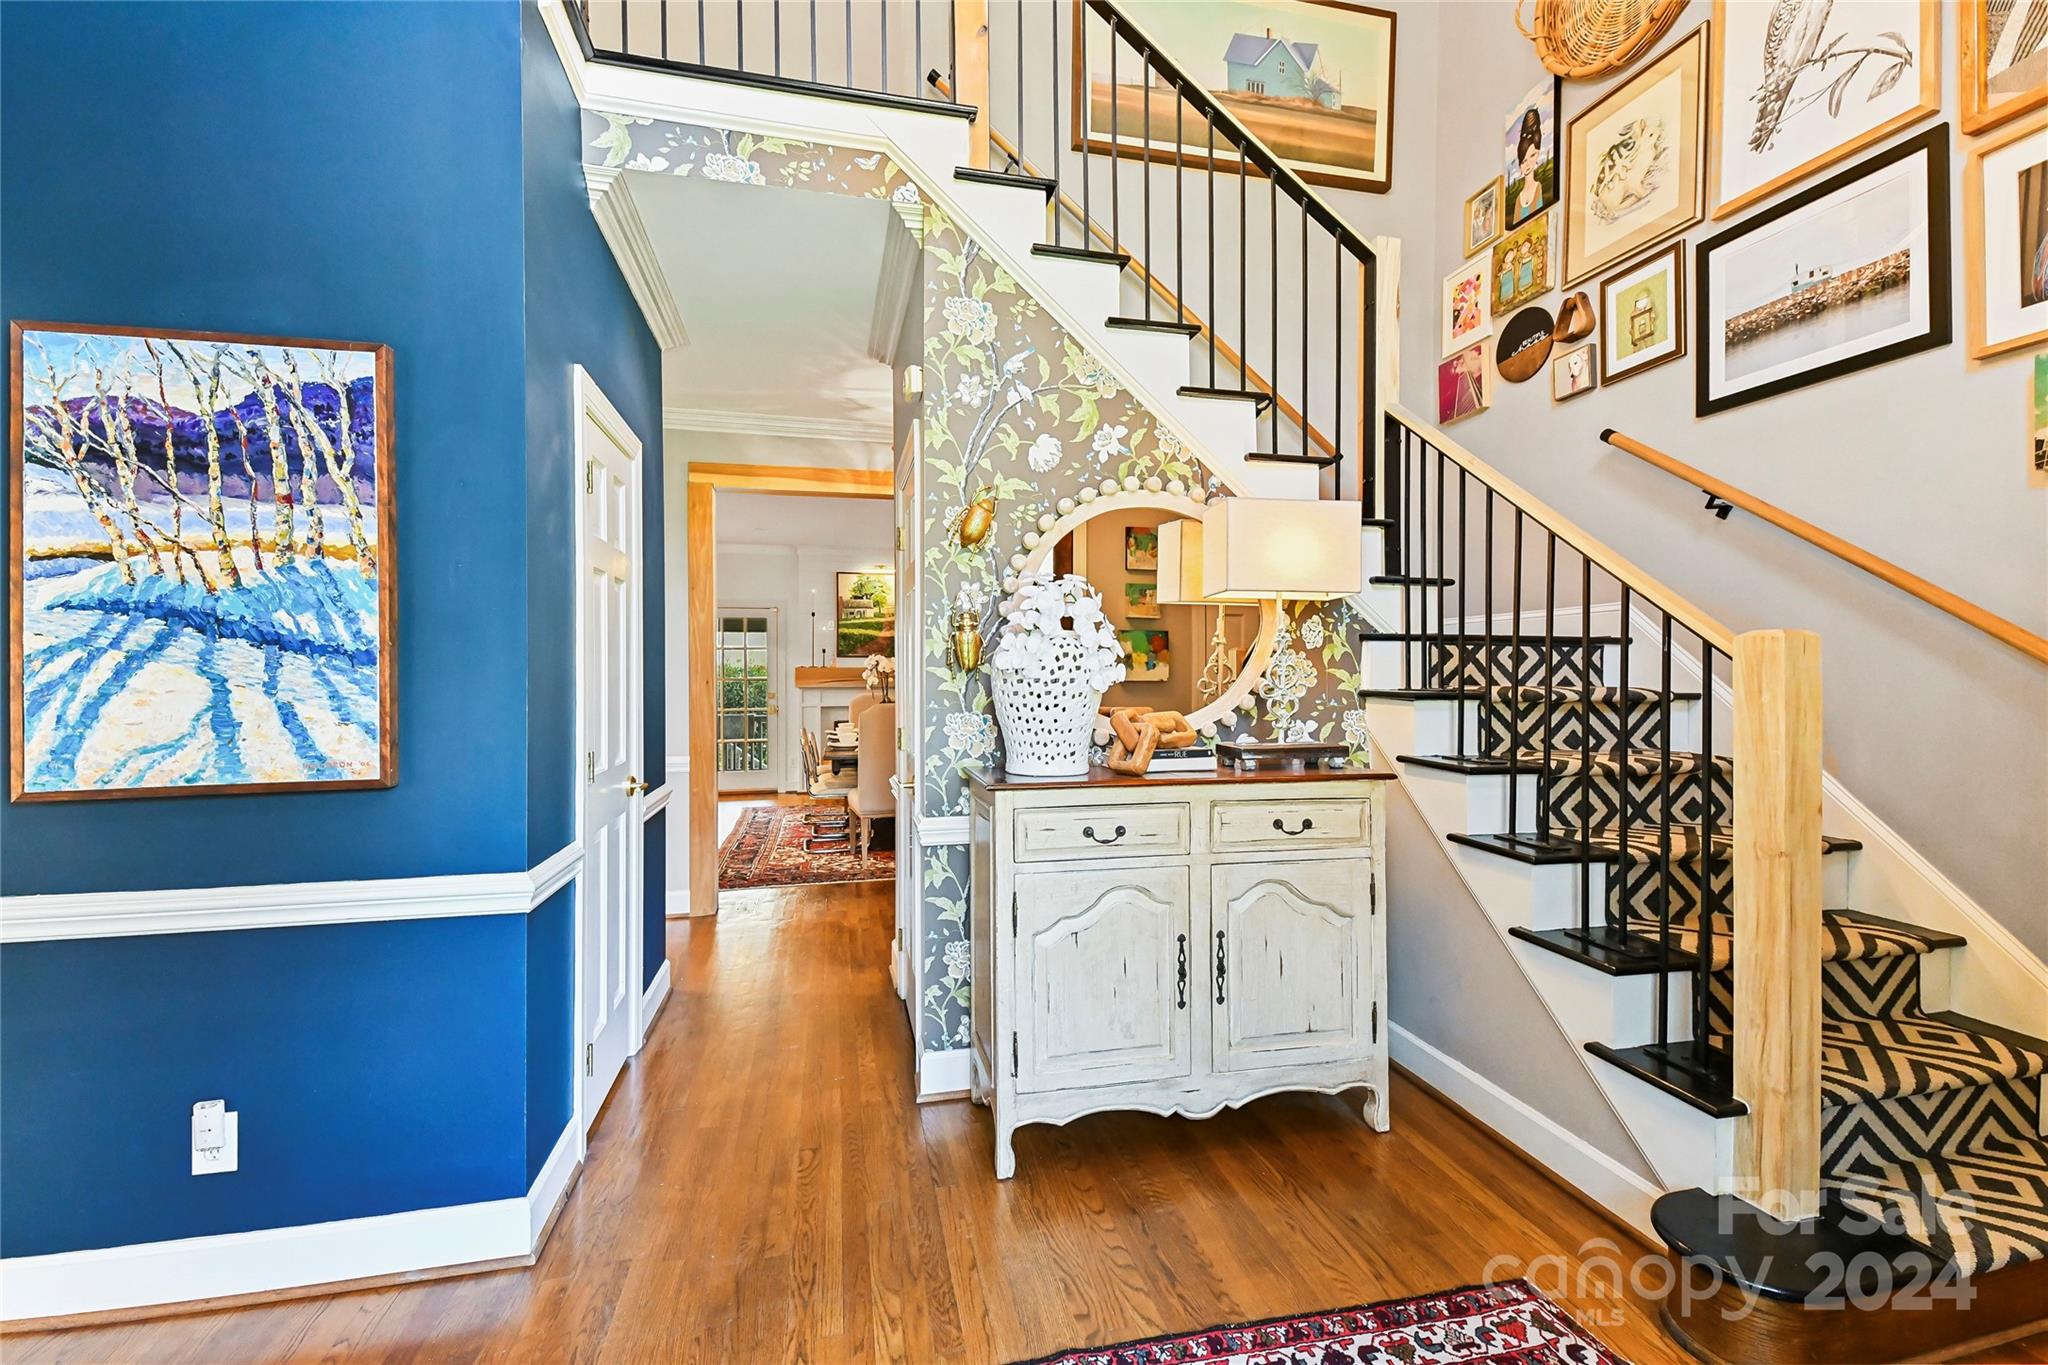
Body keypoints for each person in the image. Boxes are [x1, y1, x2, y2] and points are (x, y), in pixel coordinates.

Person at [1511, 106, 1547, 223]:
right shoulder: (1518, 199)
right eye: (1523, 161)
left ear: (1537, 154)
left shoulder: (1539, 187)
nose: (1527, 164)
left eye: (1532, 156)